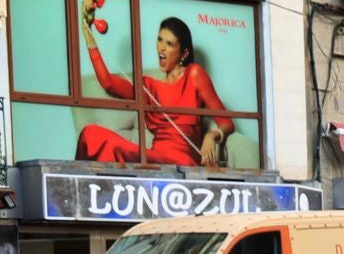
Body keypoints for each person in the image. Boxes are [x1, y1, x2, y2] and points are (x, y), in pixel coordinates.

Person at [75, 9, 234, 167]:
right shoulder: (149, 87)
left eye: (169, 44)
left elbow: (226, 122)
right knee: (91, 134)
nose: (161, 48)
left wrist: (212, 135)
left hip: (182, 162)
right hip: (155, 159)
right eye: (160, 40)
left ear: (184, 54)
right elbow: (108, 82)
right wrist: (87, 32)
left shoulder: (194, 75)